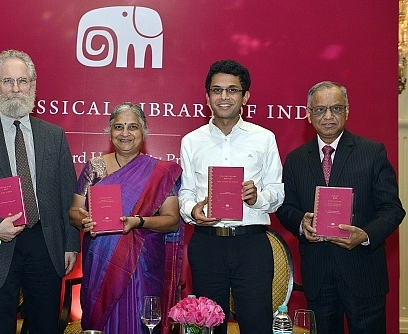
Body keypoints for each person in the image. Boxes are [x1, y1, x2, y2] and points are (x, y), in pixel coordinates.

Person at [0, 49, 79, 333]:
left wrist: (71, 243)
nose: (15, 89)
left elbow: (67, 194)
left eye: (22, 81)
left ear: (33, 85)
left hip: (45, 245)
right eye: (7, 81)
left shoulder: (54, 135)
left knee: (44, 325)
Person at [275, 81, 405, 334]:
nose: (328, 116)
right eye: (320, 109)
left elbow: (392, 209)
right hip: (318, 275)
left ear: (347, 111)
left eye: (336, 108)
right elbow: (285, 207)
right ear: (308, 114)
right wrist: (301, 223)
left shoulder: (372, 152)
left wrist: (365, 235)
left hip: (364, 272)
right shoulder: (295, 159)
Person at [178, 59, 284, 334]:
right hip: (207, 243)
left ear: (245, 96)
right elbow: (186, 192)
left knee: (256, 324)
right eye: (217, 90)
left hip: (252, 246)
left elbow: (277, 191)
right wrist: (193, 211)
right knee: (208, 326)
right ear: (207, 96)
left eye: (232, 90)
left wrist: (256, 198)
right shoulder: (191, 141)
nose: (224, 97)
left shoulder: (264, 138)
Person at [68, 102, 183, 334]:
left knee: (142, 322)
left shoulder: (159, 173)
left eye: (133, 127)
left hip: (144, 264)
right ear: (110, 132)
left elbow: (172, 220)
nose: (125, 133)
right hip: (101, 262)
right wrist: (85, 220)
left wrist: (139, 221)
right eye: (119, 127)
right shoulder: (95, 167)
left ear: (144, 132)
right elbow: (74, 211)